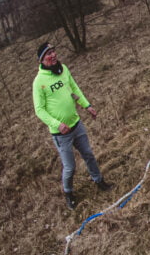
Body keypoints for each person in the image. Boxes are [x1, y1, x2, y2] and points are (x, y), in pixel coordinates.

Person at [32, 42, 112, 209]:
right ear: (41, 60)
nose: (53, 55)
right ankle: (68, 192)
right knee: (70, 167)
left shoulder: (64, 70)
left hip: (76, 124)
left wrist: (87, 105)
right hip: (61, 134)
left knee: (88, 154)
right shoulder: (39, 82)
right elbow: (39, 110)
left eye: (54, 51)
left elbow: (74, 89)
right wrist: (57, 124)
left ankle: (99, 181)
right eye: (48, 54)